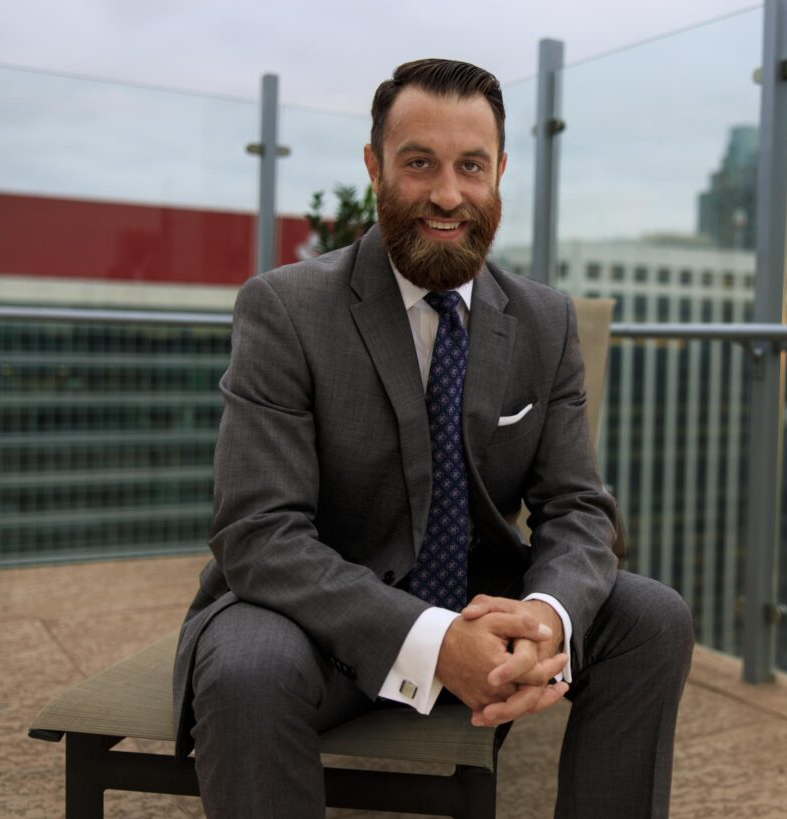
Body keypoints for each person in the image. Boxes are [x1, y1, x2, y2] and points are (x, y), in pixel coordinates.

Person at [172, 58, 693, 818]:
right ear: (375, 167)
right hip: (321, 624)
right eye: (419, 163)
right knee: (247, 664)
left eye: (470, 167)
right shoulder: (285, 310)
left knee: (654, 617)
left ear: (500, 173)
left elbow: (579, 507)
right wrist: (434, 640)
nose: (448, 194)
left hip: (490, 608)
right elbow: (258, 532)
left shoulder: (543, 323)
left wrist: (543, 616)